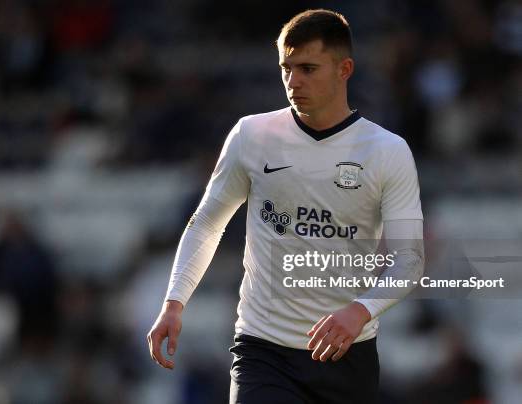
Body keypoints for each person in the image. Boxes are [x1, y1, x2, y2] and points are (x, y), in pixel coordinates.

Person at [147, 9, 424, 404]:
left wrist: (360, 311)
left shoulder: (387, 151)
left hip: (347, 354)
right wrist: (174, 302)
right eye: (286, 68)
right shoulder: (252, 135)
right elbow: (207, 223)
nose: (294, 82)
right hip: (264, 349)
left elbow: (409, 260)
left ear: (344, 68)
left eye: (308, 68)